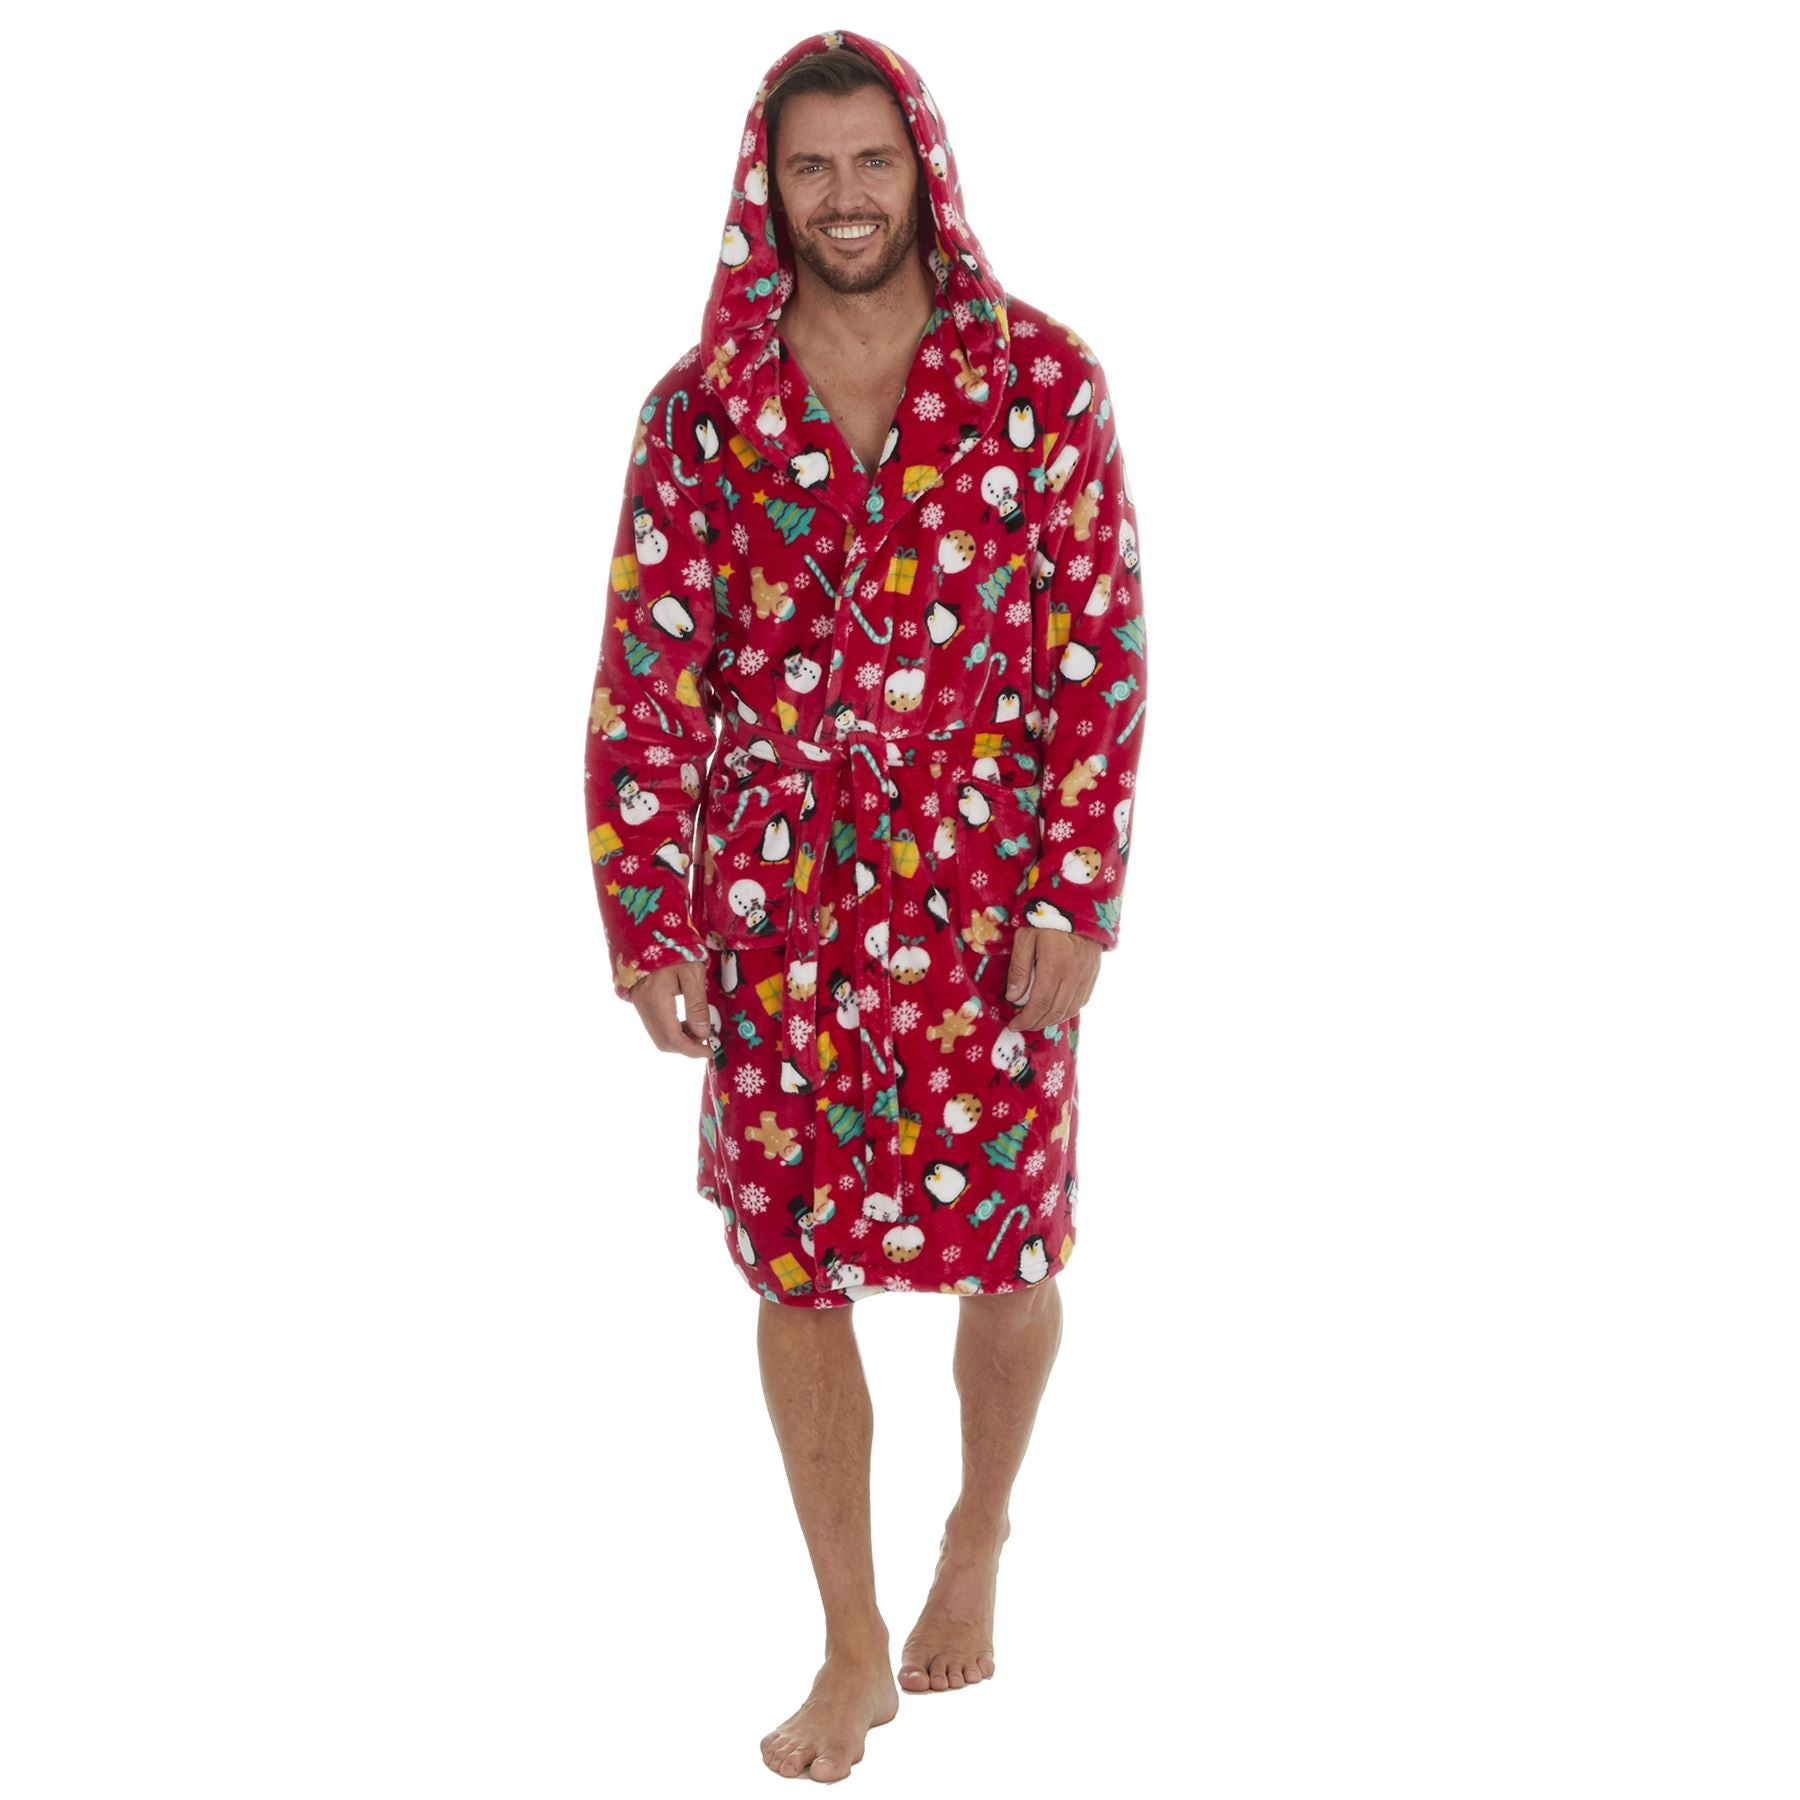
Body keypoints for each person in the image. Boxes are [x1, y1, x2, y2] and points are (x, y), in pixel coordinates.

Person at [582, 28, 1148, 1784]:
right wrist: (649, 914)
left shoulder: (1040, 382)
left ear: (925, 173)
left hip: (988, 901)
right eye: (811, 166)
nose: (844, 197)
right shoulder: (701, 411)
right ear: (768, 188)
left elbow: (1100, 650)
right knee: (793, 1265)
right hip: (781, 909)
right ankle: (849, 1642)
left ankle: (979, 1526)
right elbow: (649, 675)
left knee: (1014, 1243)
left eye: (871, 163)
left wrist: (1077, 891)